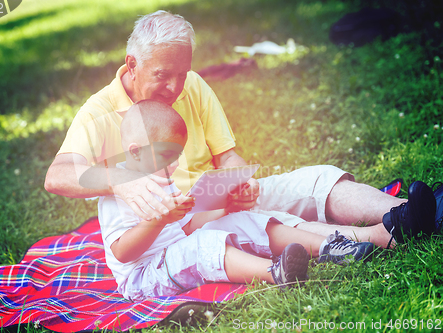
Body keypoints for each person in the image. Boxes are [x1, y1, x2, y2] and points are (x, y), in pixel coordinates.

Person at [45, 10, 438, 250]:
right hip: (182, 228)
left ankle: (412, 214)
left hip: (221, 200)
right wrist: (119, 181)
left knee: (316, 179)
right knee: (280, 225)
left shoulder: (193, 84)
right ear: (131, 64)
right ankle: (400, 227)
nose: (175, 87)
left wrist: (240, 179)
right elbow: (57, 176)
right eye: (163, 76)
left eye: (182, 74)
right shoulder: (98, 113)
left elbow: (226, 154)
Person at [99, 100, 376, 300]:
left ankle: (330, 246)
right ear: (135, 153)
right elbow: (124, 252)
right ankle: (275, 273)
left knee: (239, 219)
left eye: (176, 157)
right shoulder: (115, 195)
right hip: (144, 276)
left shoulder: (162, 179)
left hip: (176, 248)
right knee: (200, 246)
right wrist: (159, 221)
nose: (173, 166)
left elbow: (186, 227)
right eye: (166, 157)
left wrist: (224, 207)